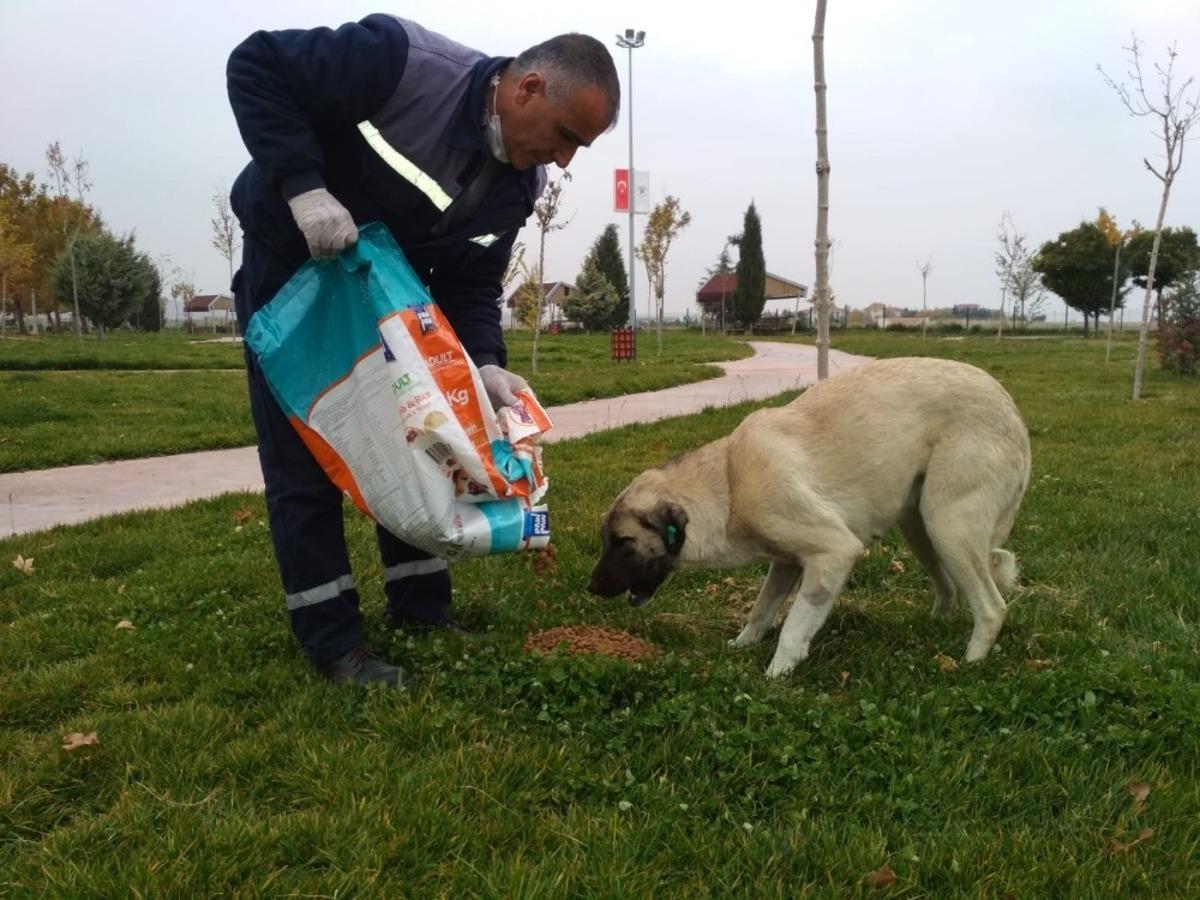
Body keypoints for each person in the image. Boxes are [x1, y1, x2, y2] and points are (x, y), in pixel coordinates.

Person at [225, 15, 620, 688]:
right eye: (564, 137)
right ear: (527, 88)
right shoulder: (398, 62)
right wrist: (304, 189)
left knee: (423, 441)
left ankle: (420, 609)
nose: (563, 162)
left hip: (394, 304)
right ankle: (333, 643)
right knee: (306, 458)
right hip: (296, 275)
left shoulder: (518, 187)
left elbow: (470, 278)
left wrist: (486, 362)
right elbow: (257, 64)